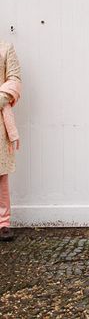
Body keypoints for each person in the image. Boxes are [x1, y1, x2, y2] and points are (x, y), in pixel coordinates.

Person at [0, 41, 22, 242]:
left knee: (1, 174)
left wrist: (2, 96)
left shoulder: (5, 47)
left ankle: (3, 223)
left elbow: (14, 78)